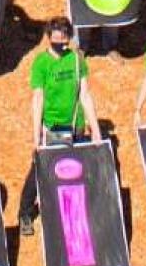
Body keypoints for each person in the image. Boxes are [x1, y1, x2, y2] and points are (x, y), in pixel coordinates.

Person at [15, 20, 95, 236]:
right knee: (40, 169)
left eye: (63, 41)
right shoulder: (41, 63)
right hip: (52, 129)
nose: (60, 45)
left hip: (75, 126)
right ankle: (24, 212)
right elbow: (38, 99)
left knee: (74, 168)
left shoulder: (77, 60)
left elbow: (85, 95)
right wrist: (36, 137)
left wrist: (94, 129)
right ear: (48, 37)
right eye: (55, 41)